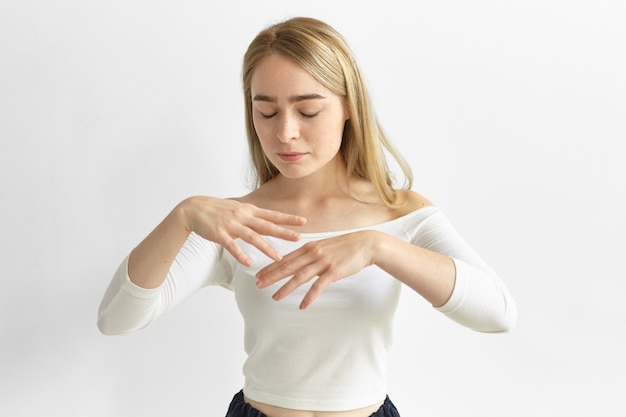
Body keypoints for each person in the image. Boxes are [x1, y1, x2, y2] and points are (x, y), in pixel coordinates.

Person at [97, 16, 517, 417]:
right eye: (266, 112)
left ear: (349, 106)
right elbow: (116, 319)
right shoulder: (236, 222)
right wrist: (182, 217)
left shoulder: (399, 213)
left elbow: (498, 313)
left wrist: (376, 246)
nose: (285, 133)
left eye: (308, 111)